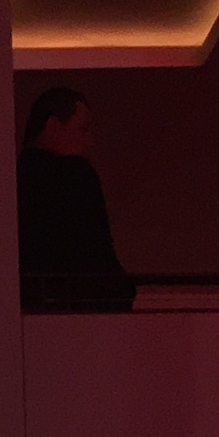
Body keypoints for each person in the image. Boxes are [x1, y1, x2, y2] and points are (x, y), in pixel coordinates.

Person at [20, 85, 136, 313]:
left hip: (33, 305)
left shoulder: (14, 179)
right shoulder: (76, 177)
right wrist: (121, 290)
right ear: (53, 126)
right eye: (83, 129)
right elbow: (95, 250)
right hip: (84, 305)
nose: (89, 140)